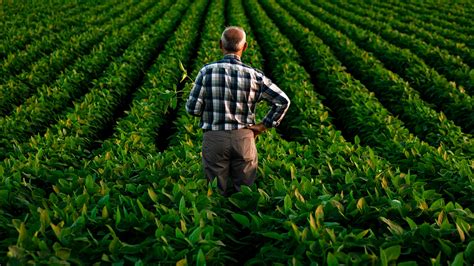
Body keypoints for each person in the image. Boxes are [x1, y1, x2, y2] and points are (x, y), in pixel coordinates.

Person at [186, 26, 290, 196]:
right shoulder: (255, 75)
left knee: (214, 193)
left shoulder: (206, 72)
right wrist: (262, 126)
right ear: (245, 47)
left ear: (221, 45)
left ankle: (218, 219)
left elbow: (192, 109)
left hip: (214, 137)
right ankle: (241, 219)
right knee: (244, 193)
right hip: (244, 138)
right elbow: (283, 101)